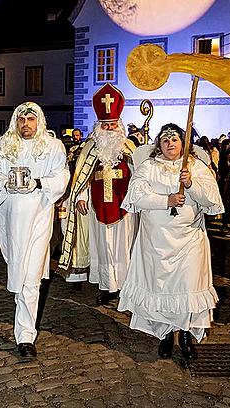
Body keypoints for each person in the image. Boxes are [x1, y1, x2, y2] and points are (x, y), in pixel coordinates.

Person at [117, 123, 224, 360]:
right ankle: (165, 334)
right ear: (159, 145)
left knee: (186, 287)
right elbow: (135, 194)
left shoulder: (196, 166)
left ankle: (185, 334)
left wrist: (190, 185)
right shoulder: (149, 167)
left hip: (189, 241)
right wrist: (165, 200)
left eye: (175, 139)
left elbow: (213, 200)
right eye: (165, 140)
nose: (170, 144)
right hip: (156, 242)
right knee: (161, 288)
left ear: (183, 143)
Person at [0, 101, 69, 358]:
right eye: (21, 120)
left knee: (31, 278)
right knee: (18, 273)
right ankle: (24, 322)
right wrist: (5, 184)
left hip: (38, 219)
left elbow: (61, 176)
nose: (25, 125)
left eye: (30, 119)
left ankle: (25, 336)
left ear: (38, 121)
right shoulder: (4, 145)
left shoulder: (52, 146)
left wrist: (38, 183)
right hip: (10, 220)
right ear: (15, 121)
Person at [59, 83, 137, 305]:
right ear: (98, 126)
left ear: (119, 124)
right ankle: (108, 286)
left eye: (113, 124)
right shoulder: (90, 148)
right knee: (103, 248)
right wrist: (81, 197)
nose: (110, 129)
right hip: (97, 207)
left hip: (125, 207)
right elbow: (82, 175)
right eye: (105, 124)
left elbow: (141, 174)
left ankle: (126, 285)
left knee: (124, 248)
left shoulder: (129, 146)